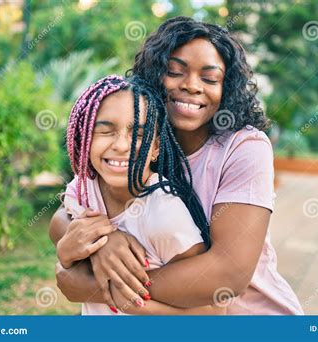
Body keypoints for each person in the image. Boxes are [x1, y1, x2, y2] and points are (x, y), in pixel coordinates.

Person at [51, 16, 303, 315]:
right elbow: (68, 210)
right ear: (154, 76)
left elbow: (228, 274)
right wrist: (105, 242)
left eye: (209, 79)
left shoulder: (244, 147)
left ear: (228, 88)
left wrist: (99, 283)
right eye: (174, 72)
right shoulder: (136, 145)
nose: (192, 86)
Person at [59, 74, 224, 314]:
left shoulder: (165, 214)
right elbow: (65, 237)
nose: (121, 145)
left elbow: (212, 313)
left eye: (138, 135)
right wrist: (67, 252)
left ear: (156, 147)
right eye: (105, 131)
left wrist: (132, 304)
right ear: (84, 138)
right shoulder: (84, 190)